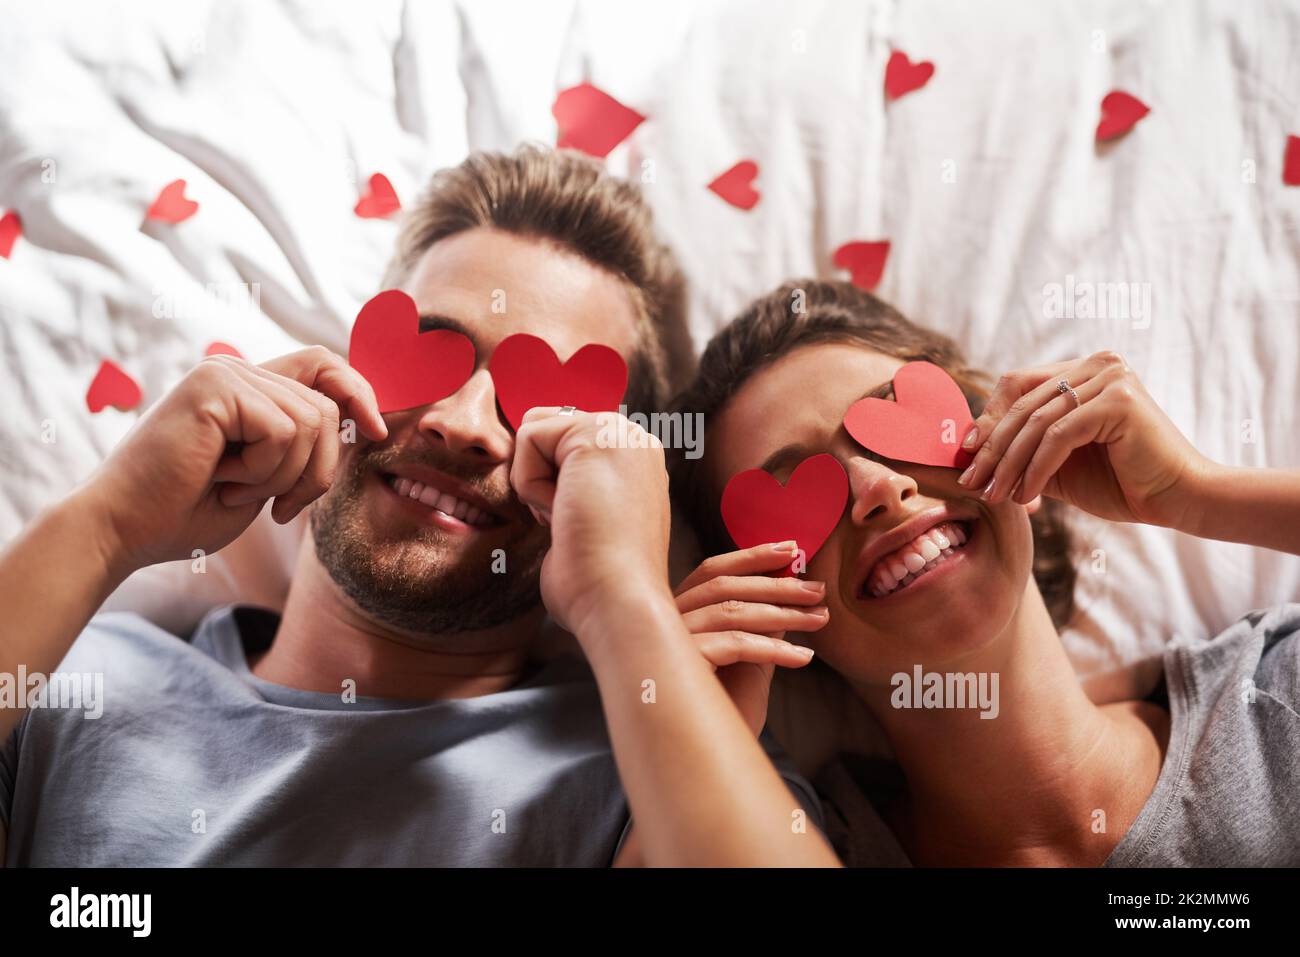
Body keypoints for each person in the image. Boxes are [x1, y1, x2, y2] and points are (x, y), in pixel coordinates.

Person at [0, 147, 837, 867]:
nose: (463, 423)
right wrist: (105, 524)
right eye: (430, 353)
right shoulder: (72, 672)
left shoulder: (676, 754)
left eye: (535, 402)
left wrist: (622, 598)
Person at [669, 278, 1300, 866]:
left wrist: (1194, 494)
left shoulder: (1274, 697)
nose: (881, 489)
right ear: (769, 612)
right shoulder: (794, 847)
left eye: (892, 423)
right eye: (795, 491)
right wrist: (690, 732)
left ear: (1006, 436)